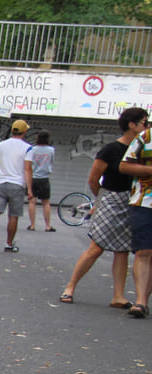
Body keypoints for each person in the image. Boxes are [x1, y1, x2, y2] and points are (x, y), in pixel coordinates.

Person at [60, 107, 148, 308]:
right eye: (143, 122)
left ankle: (118, 296)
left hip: (132, 200)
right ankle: (70, 287)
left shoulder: (142, 150)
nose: (146, 126)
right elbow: (93, 180)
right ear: (131, 125)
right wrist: (100, 201)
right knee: (96, 246)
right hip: (110, 197)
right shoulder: (111, 149)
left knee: (123, 250)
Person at [0, 120, 33, 253]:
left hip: (1, 183)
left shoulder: (1, 145)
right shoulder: (28, 148)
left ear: (12, 131)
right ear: (25, 132)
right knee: (13, 216)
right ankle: (8, 243)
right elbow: (28, 169)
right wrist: (30, 189)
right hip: (17, 184)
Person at [120, 119, 152, 318]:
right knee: (144, 251)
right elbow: (124, 165)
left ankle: (144, 299)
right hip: (144, 201)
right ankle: (140, 302)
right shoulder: (146, 137)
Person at [27, 131, 56, 232]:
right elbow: (51, 162)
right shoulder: (51, 150)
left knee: (32, 202)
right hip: (44, 178)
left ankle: (32, 225)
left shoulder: (32, 149)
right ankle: (47, 226)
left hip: (33, 178)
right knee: (46, 202)